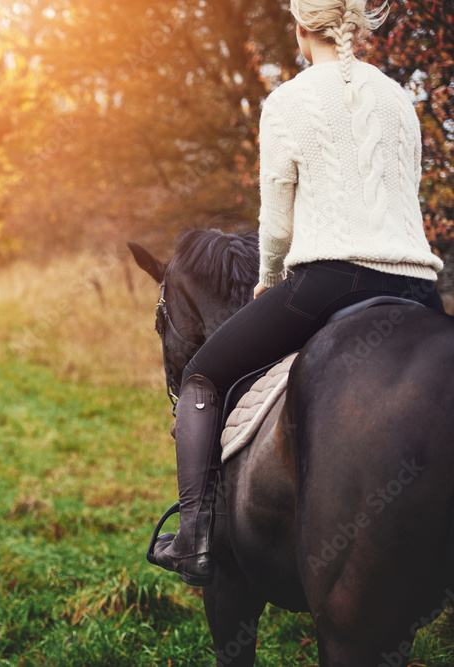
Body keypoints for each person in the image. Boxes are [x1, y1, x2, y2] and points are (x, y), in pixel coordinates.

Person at [150, 0, 446, 586]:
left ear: (301, 28)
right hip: (419, 288)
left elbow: (278, 224)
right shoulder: (398, 101)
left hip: (331, 282)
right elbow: (401, 198)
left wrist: (269, 280)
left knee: (204, 380)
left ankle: (194, 537)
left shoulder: (288, 101)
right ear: (356, 26)